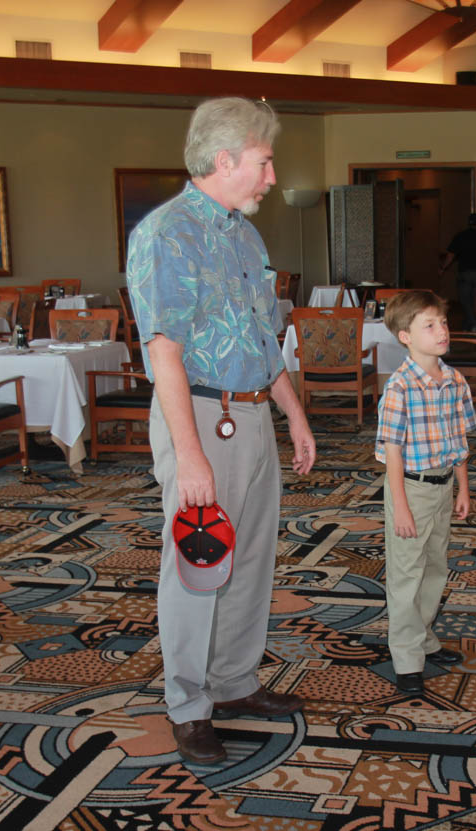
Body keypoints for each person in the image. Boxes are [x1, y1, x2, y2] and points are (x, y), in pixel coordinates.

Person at [126, 97, 316, 766]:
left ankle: (234, 683)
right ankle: (188, 705)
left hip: (254, 411)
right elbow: (165, 355)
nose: (271, 177)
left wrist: (292, 412)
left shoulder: (244, 234)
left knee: (253, 557)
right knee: (198, 565)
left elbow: (266, 338)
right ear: (227, 157)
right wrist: (191, 454)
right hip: (201, 416)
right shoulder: (165, 233)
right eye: (264, 163)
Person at [375, 290, 476, 694]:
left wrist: (462, 488)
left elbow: (460, 441)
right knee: (406, 573)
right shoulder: (400, 387)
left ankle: (424, 636)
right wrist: (400, 507)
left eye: (444, 323)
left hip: (442, 484)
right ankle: (405, 657)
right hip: (411, 490)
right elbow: (392, 455)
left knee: (435, 567)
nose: (442, 331)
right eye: (429, 325)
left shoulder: (453, 380)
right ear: (405, 336)